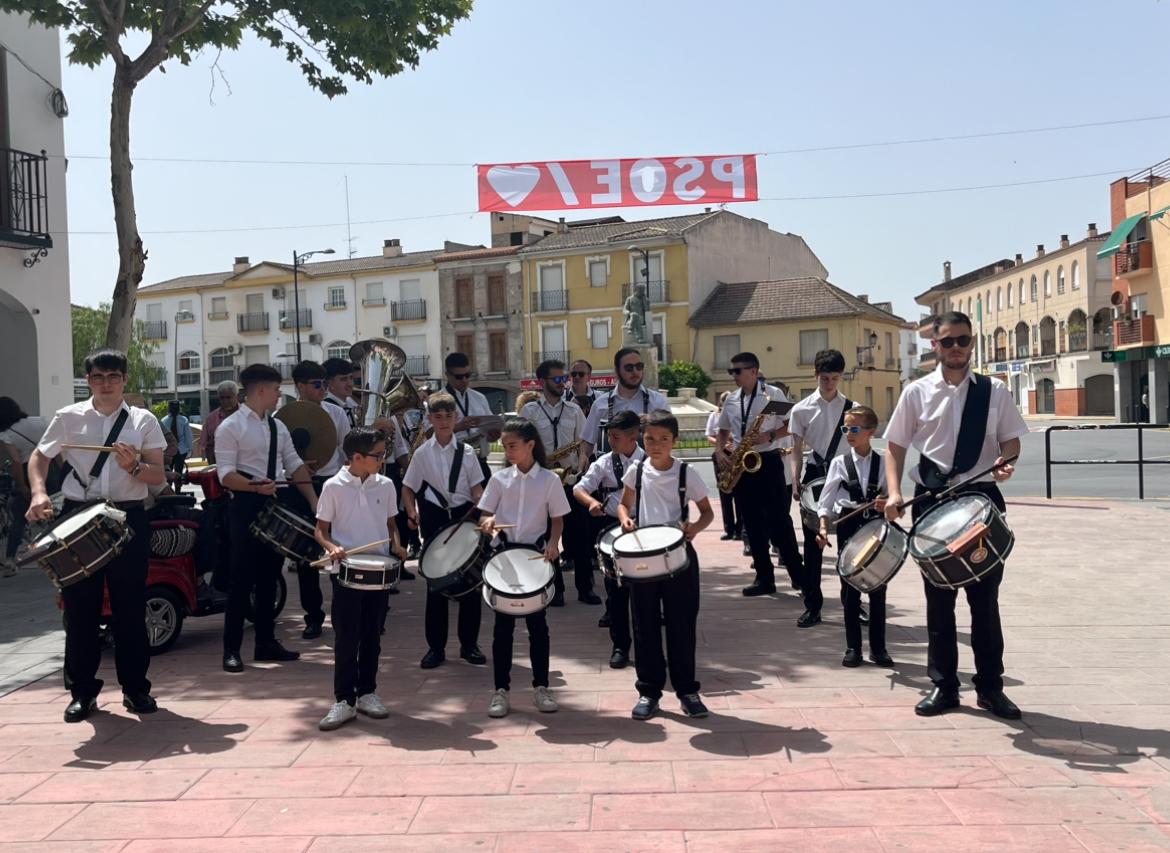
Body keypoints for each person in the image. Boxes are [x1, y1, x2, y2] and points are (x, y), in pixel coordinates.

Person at [884, 311, 1027, 720]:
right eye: (948, 342)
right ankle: (944, 687)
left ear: (971, 343)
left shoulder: (993, 391)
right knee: (939, 601)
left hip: (980, 500)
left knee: (985, 602)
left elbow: (1011, 442)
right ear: (935, 345)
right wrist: (894, 491)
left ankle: (990, 688)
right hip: (932, 500)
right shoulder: (916, 392)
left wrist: (1006, 464)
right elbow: (895, 446)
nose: (957, 348)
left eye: (963, 340)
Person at [24, 349, 166, 722]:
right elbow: (38, 457)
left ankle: (136, 690)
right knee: (79, 609)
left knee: (130, 610)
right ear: (87, 380)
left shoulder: (144, 420)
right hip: (79, 515)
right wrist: (39, 492)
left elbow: (159, 476)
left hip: (128, 516)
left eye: (114, 377)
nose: (106, 384)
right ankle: (82, 692)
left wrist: (133, 465)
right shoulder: (68, 417)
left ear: (124, 380)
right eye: (99, 377)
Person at [216, 363, 318, 674]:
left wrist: (314, 502)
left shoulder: (278, 427)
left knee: (269, 578)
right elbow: (225, 476)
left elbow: (295, 465)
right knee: (241, 580)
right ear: (261, 390)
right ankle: (231, 650)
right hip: (245, 505)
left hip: (273, 503)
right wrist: (253, 486)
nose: (278, 396)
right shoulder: (230, 427)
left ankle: (265, 642)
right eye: (276, 390)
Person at [618, 410, 713, 720]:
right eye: (649, 439)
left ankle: (687, 690)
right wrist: (625, 519)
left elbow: (706, 512)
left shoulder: (686, 473)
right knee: (644, 625)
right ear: (641, 440)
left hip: (679, 557)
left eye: (663, 439)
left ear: (675, 441)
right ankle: (649, 691)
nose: (656, 445)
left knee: (681, 624)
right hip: (644, 556)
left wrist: (695, 529)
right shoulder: (637, 470)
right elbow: (624, 503)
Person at [314, 426, 407, 731]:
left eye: (384, 454)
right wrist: (331, 547)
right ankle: (344, 700)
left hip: (378, 572)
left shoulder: (386, 485)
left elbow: (391, 523)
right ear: (356, 457)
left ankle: (368, 692)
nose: (383, 460)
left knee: (372, 635)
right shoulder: (333, 486)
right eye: (378, 455)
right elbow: (321, 530)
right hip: (346, 571)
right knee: (346, 637)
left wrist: (396, 542)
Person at [478, 417, 570, 718]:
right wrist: (488, 524)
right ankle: (500, 691)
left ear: (531, 445)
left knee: (537, 627)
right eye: (504, 446)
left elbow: (557, 519)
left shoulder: (550, 480)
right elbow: (485, 517)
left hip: (534, 557)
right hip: (504, 556)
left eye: (513, 446)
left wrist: (554, 543)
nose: (508, 451)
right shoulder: (499, 479)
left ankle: (541, 687)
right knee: (502, 629)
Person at [402, 392, 487, 669]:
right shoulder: (422, 453)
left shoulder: (468, 452)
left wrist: (484, 510)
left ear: (456, 418)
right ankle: (435, 648)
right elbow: (408, 487)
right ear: (430, 419)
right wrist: (411, 511)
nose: (443, 422)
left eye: (448, 417)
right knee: (436, 585)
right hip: (435, 518)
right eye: (437, 417)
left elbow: (476, 488)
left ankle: (469, 645)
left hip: (464, 516)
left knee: (470, 584)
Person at [714, 352, 802, 597]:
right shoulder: (731, 400)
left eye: (737, 371)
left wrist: (770, 436)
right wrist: (720, 451)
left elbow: (791, 422)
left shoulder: (772, 395)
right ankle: (764, 578)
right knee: (751, 524)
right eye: (731, 371)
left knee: (779, 522)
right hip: (743, 464)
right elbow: (722, 431)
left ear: (753, 371)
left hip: (769, 461)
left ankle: (799, 576)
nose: (733, 376)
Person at [816, 406, 894, 668]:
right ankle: (853, 648)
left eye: (855, 429)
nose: (849, 433)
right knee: (849, 591)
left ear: (871, 432)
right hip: (849, 528)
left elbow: (894, 502)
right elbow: (825, 501)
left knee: (877, 588)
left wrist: (888, 504)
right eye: (845, 429)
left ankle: (879, 648)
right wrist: (824, 527)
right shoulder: (839, 463)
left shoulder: (884, 462)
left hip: (875, 528)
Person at [520, 359, 598, 607]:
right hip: (542, 483)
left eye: (564, 378)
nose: (564, 382)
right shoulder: (529, 413)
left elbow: (585, 442)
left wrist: (583, 457)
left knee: (581, 538)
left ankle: (586, 589)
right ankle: (555, 588)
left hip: (570, 481)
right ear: (543, 382)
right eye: (558, 379)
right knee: (546, 538)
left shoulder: (574, 411)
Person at [574, 409, 645, 668]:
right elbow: (579, 488)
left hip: (644, 530)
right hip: (612, 528)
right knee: (616, 592)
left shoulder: (649, 460)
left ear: (634, 435)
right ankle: (620, 646)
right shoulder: (604, 462)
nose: (610, 442)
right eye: (610, 436)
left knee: (644, 594)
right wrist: (592, 502)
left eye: (615, 437)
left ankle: (647, 647)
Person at [789, 349, 853, 627]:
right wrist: (795, 479)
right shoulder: (801, 409)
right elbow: (796, 448)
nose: (829, 383)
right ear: (816, 375)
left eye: (835, 378)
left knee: (849, 546)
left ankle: (853, 604)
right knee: (813, 548)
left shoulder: (853, 408)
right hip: (814, 476)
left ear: (841, 377)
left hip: (844, 476)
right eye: (825, 377)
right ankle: (812, 606)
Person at [289, 360, 352, 639]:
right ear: (299, 387)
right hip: (300, 487)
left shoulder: (337, 414)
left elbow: (348, 452)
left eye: (325, 384)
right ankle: (313, 617)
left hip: (332, 484)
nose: (323, 389)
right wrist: (300, 466)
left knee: (342, 550)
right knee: (306, 556)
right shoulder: (285, 416)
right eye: (317, 385)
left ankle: (347, 612)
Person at [579, 347, 669, 469]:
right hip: (610, 482)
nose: (635, 371)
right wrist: (583, 456)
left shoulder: (658, 401)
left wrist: (651, 422)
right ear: (617, 371)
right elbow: (588, 441)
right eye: (629, 368)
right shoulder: (600, 404)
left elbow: (670, 435)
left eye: (639, 366)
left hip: (649, 478)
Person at [1, 397, 47, 575]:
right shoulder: (40, 421)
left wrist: (22, 485)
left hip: (30, 473)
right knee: (62, 515)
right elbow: (55, 448)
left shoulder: (6, 434)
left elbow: (15, 461)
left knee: (19, 518)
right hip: (53, 471)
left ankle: (10, 560)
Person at [444, 352, 501, 482]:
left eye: (467, 375)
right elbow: (429, 435)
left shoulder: (479, 398)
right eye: (459, 377)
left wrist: (493, 435)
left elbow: (489, 428)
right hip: (453, 463)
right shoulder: (437, 399)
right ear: (447, 375)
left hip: (480, 462)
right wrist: (458, 427)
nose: (464, 380)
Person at [705, 391, 740, 541]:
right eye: (725, 401)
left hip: (737, 454)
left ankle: (740, 529)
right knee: (724, 491)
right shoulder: (715, 416)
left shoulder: (738, 414)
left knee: (739, 492)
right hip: (721, 455)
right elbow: (709, 435)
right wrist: (722, 444)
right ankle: (729, 529)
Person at [201, 380, 239, 464]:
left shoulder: (247, 415)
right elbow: (208, 445)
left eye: (228, 397)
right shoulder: (211, 418)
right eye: (222, 398)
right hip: (220, 465)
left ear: (237, 397)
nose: (225, 401)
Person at [160, 400, 193, 475]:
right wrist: (190, 449)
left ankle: (171, 484)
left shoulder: (164, 420)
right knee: (179, 471)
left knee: (169, 470)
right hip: (181, 450)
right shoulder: (184, 420)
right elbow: (188, 436)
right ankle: (178, 485)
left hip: (169, 450)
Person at [323, 357, 358, 427]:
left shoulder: (350, 405)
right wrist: (372, 429)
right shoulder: (328, 409)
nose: (350, 384)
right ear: (329, 383)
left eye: (351, 378)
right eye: (343, 379)